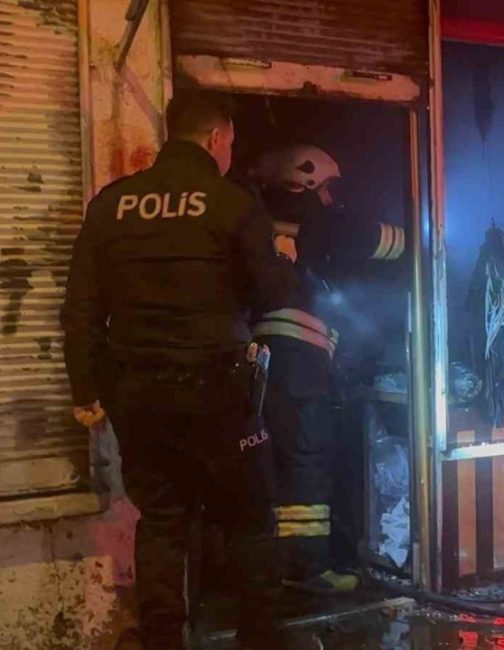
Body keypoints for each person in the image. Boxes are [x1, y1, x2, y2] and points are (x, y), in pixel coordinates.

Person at [61, 91, 296, 649]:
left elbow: (80, 307)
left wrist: (84, 389)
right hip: (218, 394)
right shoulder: (231, 202)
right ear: (216, 138)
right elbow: (269, 296)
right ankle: (260, 640)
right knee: (248, 518)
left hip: (138, 396)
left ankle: (162, 641)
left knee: (163, 522)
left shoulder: (112, 203)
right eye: (231, 144)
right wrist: (283, 256)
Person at [251, 144, 405, 594]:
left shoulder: (256, 218)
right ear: (306, 181)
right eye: (327, 188)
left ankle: (271, 566)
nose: (331, 199)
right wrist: (425, 233)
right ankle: (307, 570)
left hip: (263, 363)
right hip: (297, 361)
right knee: (307, 459)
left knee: (274, 462)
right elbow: (366, 237)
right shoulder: (310, 220)